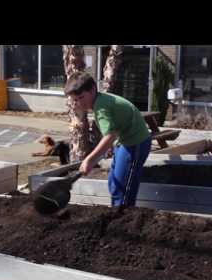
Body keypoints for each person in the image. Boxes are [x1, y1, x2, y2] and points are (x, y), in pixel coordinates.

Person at [64, 71, 152, 208]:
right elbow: (115, 128)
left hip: (135, 143)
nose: (78, 103)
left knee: (123, 188)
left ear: (93, 89)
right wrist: (111, 147)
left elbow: (110, 135)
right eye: (74, 100)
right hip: (124, 141)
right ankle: (117, 212)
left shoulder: (101, 107)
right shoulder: (100, 100)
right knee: (113, 181)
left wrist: (90, 159)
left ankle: (123, 218)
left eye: (81, 97)